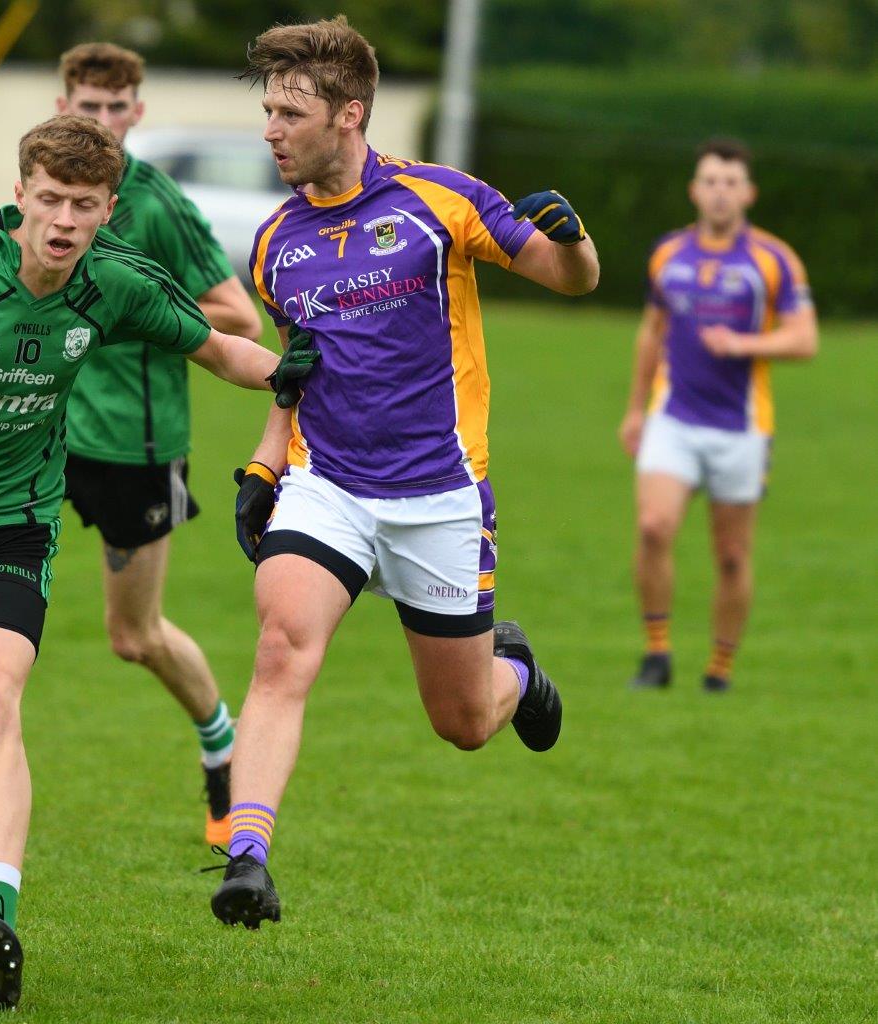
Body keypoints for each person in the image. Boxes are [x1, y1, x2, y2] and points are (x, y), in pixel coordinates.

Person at [0, 114, 314, 1010]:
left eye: (84, 204)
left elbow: (217, 347)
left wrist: (297, 370)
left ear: (109, 209)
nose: (65, 220)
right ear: (20, 197)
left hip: (11, 526)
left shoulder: (112, 283)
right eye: (49, 200)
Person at [207, 16, 599, 929]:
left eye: (288, 112)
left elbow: (568, 278)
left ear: (349, 115)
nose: (270, 128)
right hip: (328, 486)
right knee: (279, 648)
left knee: (462, 723)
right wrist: (264, 472)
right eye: (266, 109)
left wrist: (572, 241)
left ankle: (518, 676)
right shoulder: (274, 245)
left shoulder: (439, 201)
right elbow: (294, 378)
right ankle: (247, 857)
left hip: (438, 498)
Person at [56, 43, 261, 844]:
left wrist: (138, 310)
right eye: (86, 105)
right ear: (62, 104)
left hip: (133, 444)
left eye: (116, 108)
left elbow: (239, 318)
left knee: (131, 637)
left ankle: (223, 753)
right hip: (37, 427)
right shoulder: (50, 198)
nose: (101, 122)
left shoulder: (160, 205)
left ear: (136, 114)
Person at [619, 138, 817, 692]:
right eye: (711, 181)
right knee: (653, 527)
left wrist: (745, 345)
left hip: (741, 427)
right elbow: (651, 334)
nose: (721, 192)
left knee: (732, 556)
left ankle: (719, 670)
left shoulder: (773, 260)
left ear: (748, 193)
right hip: (673, 418)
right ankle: (656, 655)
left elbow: (805, 339)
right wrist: (635, 409)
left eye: (731, 182)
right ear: (694, 190)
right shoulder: (667, 255)